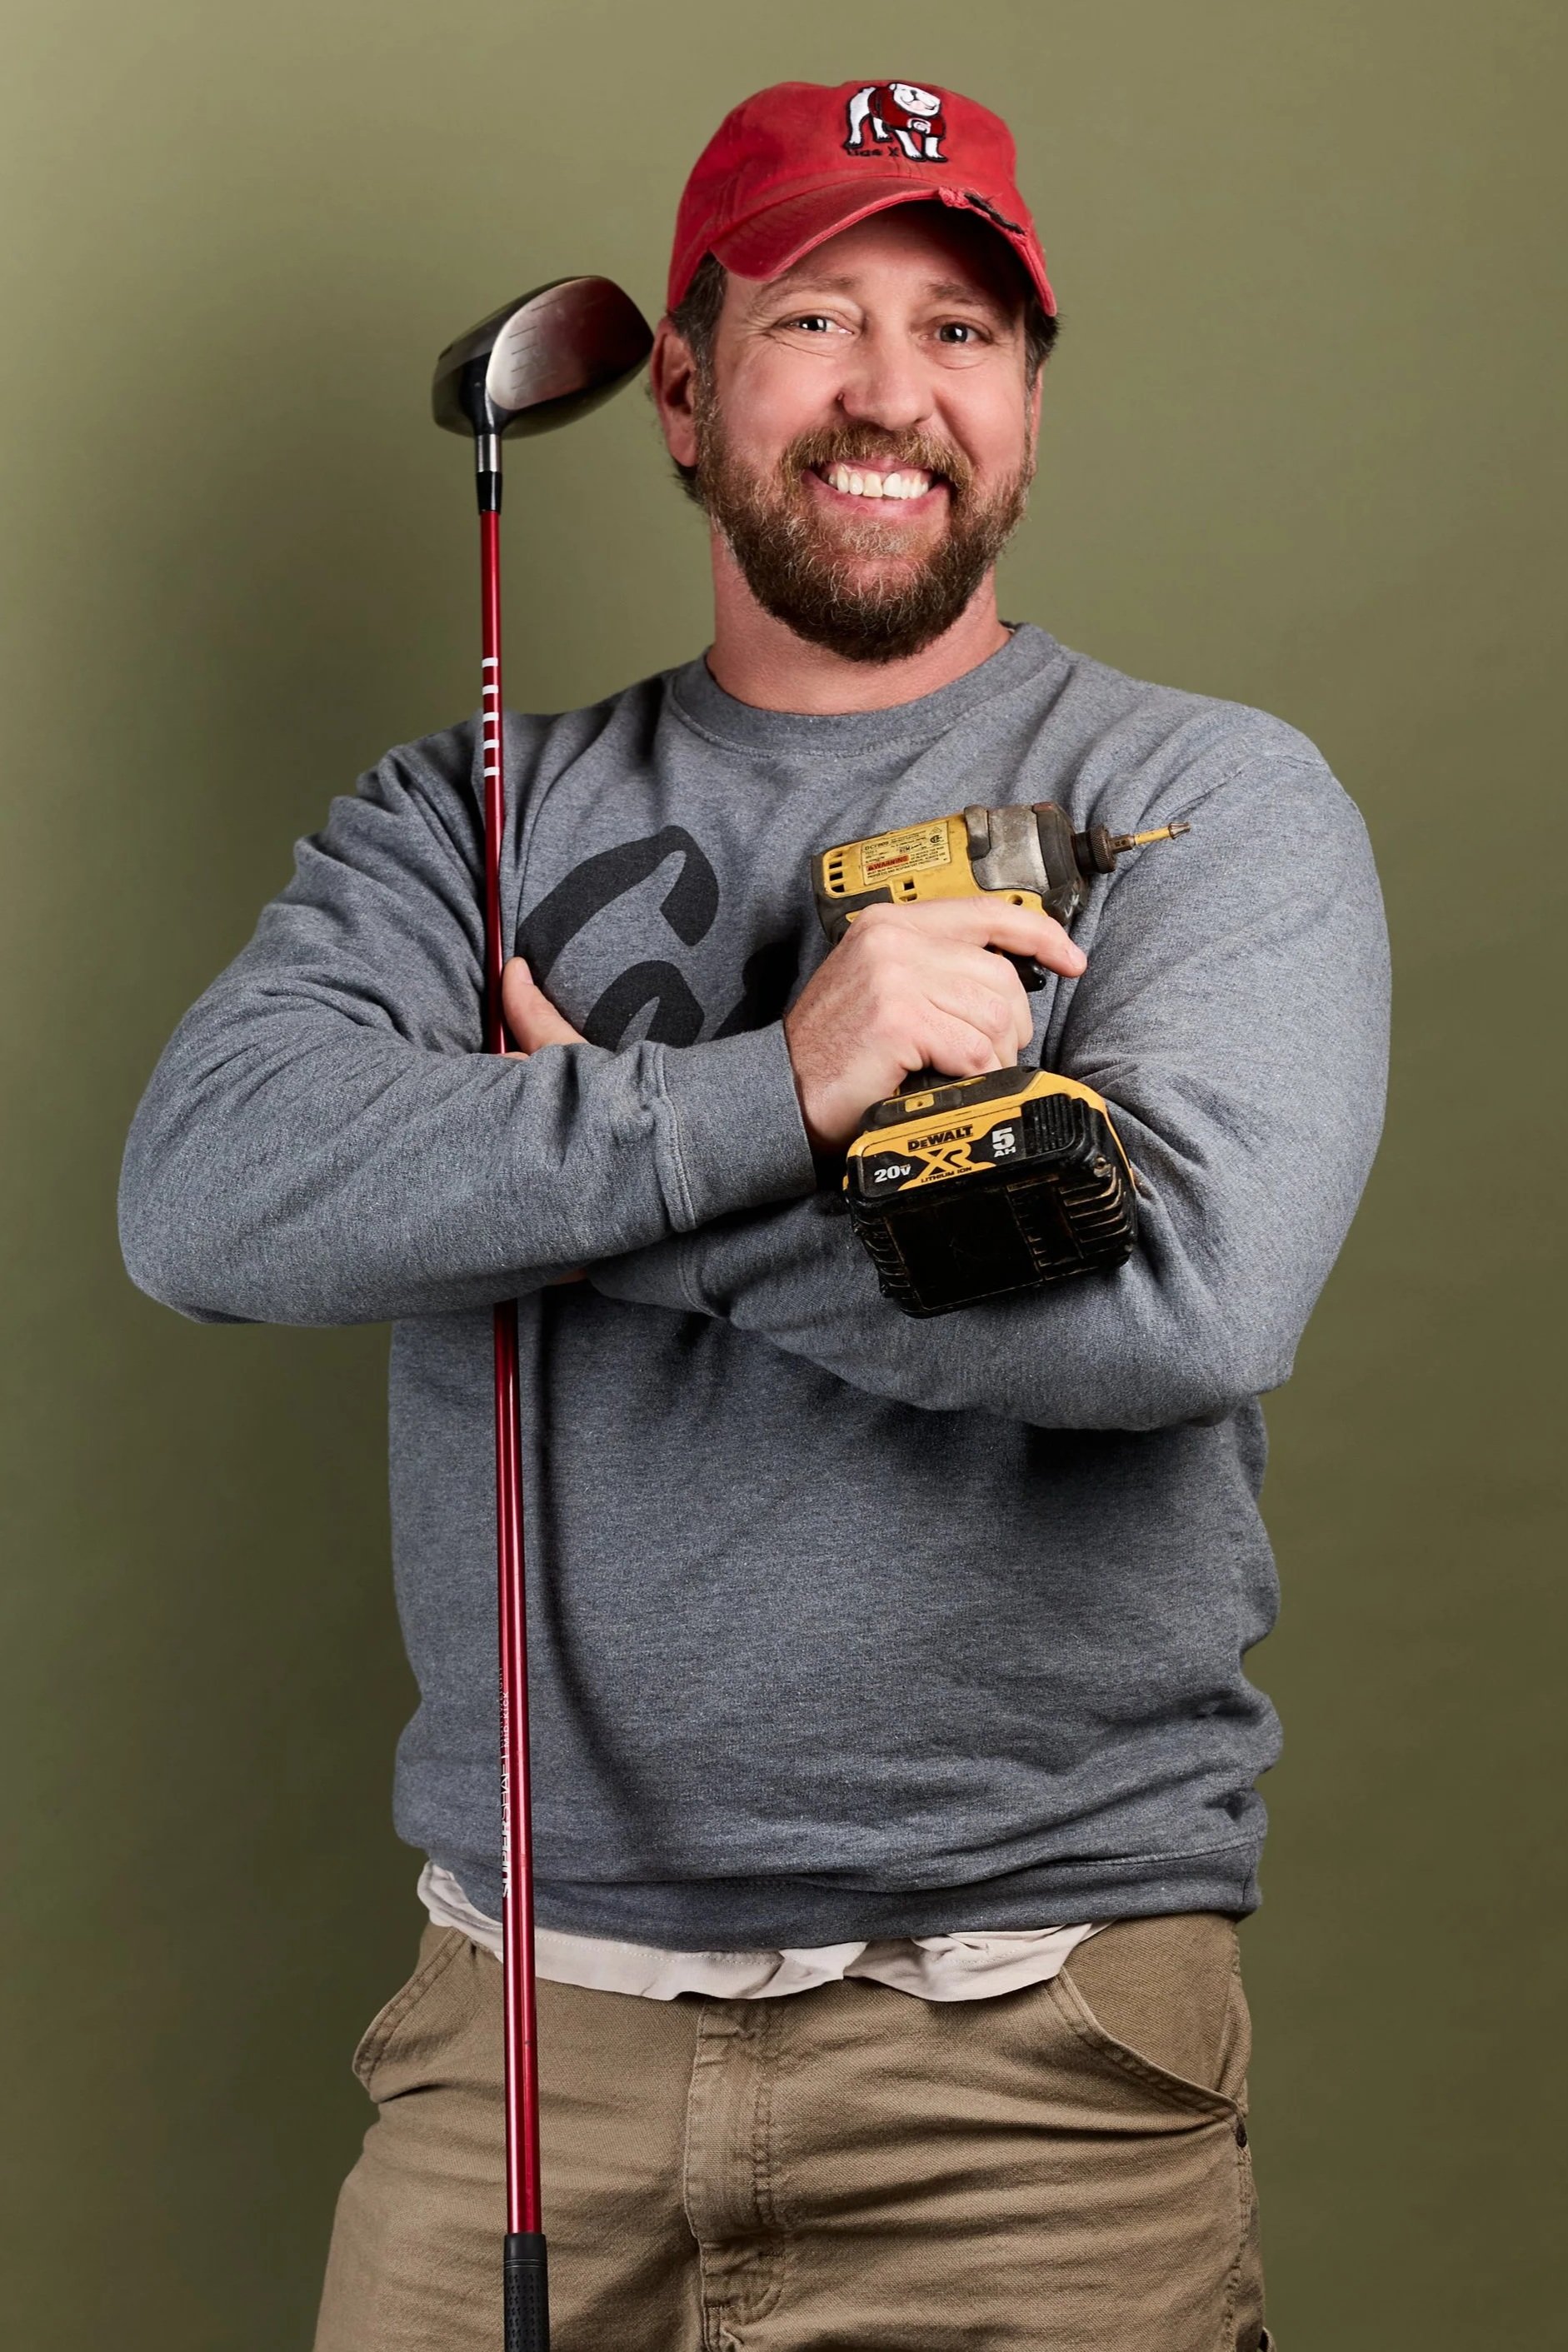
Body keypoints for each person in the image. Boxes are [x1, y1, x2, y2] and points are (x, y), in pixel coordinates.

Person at [119, 75, 1388, 2352]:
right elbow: (211, 1193)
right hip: (521, 2045)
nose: (892, 391)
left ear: (1025, 405)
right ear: (687, 396)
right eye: (814, 318)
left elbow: (1172, 1312)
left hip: (1031, 2056)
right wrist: (782, 1087)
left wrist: (575, 1168)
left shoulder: (1198, 797)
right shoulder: (466, 820)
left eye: (961, 331)